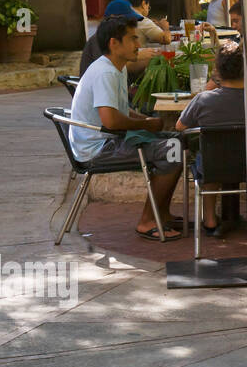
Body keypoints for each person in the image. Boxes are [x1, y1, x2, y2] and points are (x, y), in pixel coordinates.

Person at [69, 16, 184, 240]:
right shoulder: (106, 72)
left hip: (108, 140)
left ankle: (162, 213)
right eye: (133, 39)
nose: (138, 45)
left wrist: (145, 120)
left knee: (177, 141)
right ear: (114, 43)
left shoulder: (116, 67)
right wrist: (145, 124)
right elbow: (111, 120)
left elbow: (121, 109)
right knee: (173, 150)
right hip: (98, 149)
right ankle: (147, 221)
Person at [175, 41, 247, 235]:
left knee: (208, 154)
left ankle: (210, 219)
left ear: (218, 72)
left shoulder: (203, 100)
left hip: (215, 166)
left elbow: (180, 126)